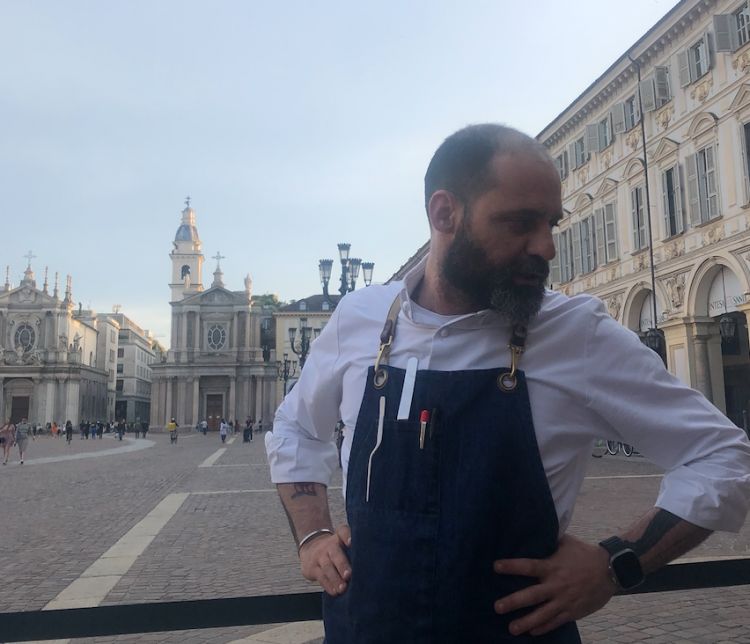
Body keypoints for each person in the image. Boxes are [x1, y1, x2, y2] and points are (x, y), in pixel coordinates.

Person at [266, 124, 750, 643]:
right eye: (520, 223)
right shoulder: (359, 318)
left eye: (550, 224)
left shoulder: (575, 334)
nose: (545, 247)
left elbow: (724, 456)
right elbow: (296, 429)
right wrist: (314, 535)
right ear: (444, 213)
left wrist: (617, 562)